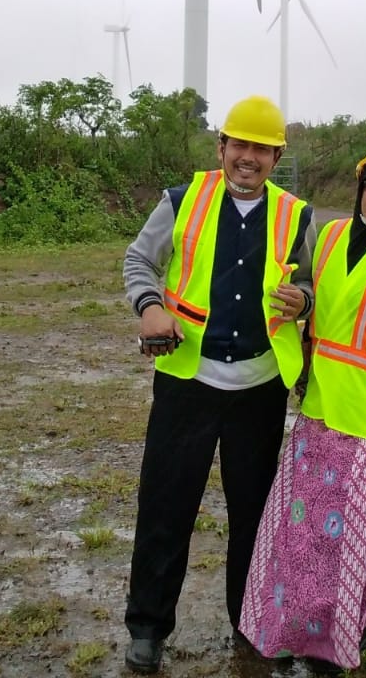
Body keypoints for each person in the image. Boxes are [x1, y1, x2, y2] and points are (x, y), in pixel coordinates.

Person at [121, 96, 317, 675]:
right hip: (188, 382)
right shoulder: (182, 201)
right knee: (165, 506)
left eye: (261, 148)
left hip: (259, 389)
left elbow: (311, 283)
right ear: (222, 147)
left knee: (253, 514)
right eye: (240, 145)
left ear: (277, 155)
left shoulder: (297, 216)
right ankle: (148, 628)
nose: (249, 158)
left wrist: (305, 298)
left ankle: (250, 622)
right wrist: (149, 306)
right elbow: (139, 260)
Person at [239, 140, 366, 673]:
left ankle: (339, 636)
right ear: (361, 188)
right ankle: (291, 627)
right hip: (319, 406)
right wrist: (301, 303)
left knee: (344, 536)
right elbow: (312, 299)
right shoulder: (328, 236)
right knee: (299, 527)